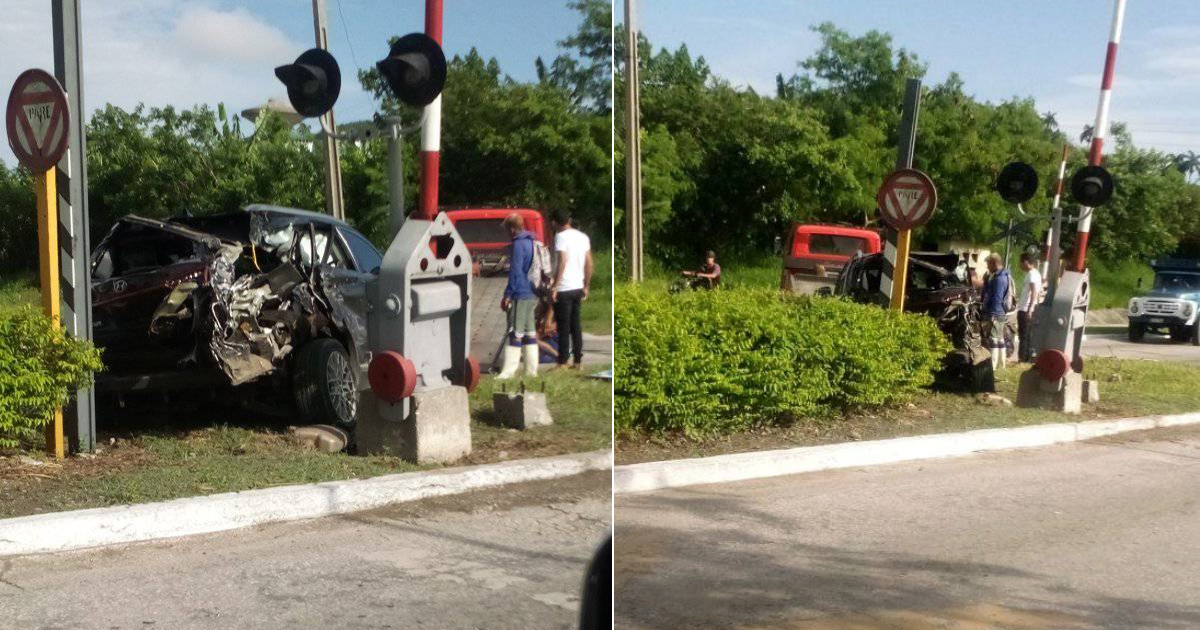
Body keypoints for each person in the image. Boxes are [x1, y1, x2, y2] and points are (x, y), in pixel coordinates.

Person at [496, 213, 539, 379]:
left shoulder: (517, 245)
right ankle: (531, 370)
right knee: (529, 332)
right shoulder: (531, 241)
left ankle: (508, 371)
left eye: (507, 229)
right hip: (531, 291)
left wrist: (508, 294)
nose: (507, 232)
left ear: (512, 229)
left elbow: (515, 272)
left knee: (515, 331)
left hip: (519, 292)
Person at [550, 211, 592, 369]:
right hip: (578, 286)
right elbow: (589, 263)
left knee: (563, 325)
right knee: (576, 325)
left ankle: (562, 361)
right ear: (569, 220)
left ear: (554, 223)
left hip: (565, 286)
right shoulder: (583, 237)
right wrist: (586, 285)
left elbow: (562, 261)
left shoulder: (560, 237)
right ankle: (578, 361)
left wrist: (555, 285)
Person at [981, 253, 1012, 369]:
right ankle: (1001, 363)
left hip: (996, 312)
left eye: (988, 264)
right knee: (1000, 338)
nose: (987, 267)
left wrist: (993, 313)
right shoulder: (1004, 275)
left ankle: (993, 365)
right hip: (1001, 312)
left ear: (994, 263)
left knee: (994, 338)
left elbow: (997, 297)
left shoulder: (999, 279)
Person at [1016, 252, 1043, 363]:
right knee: (1027, 334)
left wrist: (1030, 309)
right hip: (1027, 308)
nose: (1019, 265)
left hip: (1026, 309)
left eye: (1020, 262)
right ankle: (1026, 357)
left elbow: (1034, 292)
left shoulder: (1032, 274)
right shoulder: (1035, 273)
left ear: (1026, 262)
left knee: (1024, 335)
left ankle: (1022, 358)